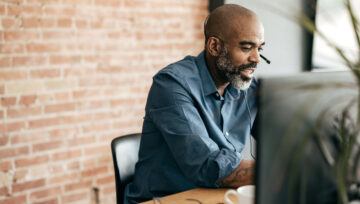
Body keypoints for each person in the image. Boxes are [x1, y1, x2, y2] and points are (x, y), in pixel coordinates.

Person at [125, 4, 266, 204]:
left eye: (259, 48)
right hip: (164, 200)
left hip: (214, 197)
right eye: (246, 47)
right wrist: (278, 172)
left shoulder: (248, 89)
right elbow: (207, 165)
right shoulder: (171, 85)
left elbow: (282, 140)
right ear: (215, 46)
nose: (256, 59)